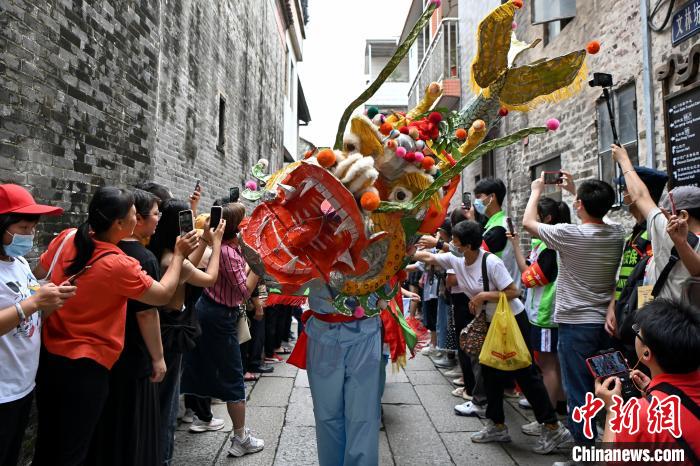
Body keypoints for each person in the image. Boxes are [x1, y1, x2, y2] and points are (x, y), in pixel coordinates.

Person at [31, 186, 198, 466]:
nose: (139, 219)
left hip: (49, 357)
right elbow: (162, 295)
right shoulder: (119, 264)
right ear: (120, 223)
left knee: (48, 441)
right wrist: (179, 255)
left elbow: (37, 276)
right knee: (74, 448)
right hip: (87, 365)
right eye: (135, 214)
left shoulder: (67, 238)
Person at [412, 220, 572, 453]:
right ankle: (497, 424)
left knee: (524, 372)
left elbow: (514, 291)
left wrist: (483, 295)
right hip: (488, 323)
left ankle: (553, 428)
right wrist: (406, 248)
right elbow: (428, 258)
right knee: (489, 372)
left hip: (511, 322)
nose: (450, 245)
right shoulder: (457, 260)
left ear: (467, 245)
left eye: (454, 241)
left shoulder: (490, 262)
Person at [522, 173, 625, 446]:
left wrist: (536, 190)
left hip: (576, 324)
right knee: (603, 385)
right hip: (605, 322)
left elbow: (528, 223)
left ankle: (583, 448)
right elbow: (600, 214)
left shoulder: (569, 235)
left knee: (578, 389)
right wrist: (573, 193)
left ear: (579, 205)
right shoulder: (617, 232)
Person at [86, 189, 167, 465]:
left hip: (95, 355)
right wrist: (158, 358)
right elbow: (152, 308)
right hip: (129, 353)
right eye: (152, 213)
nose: (158, 219)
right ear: (123, 222)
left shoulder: (81, 245)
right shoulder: (135, 260)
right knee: (130, 428)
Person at [180, 202, 265, 458]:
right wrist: (258, 268)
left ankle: (203, 415)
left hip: (214, 311)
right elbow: (242, 292)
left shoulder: (231, 246)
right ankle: (240, 438)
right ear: (235, 227)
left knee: (212, 368)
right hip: (219, 316)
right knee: (233, 374)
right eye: (244, 220)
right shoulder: (226, 253)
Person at [0, 184, 76, 466]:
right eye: (21, 228)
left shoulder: (18, 261)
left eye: (32, 228)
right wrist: (34, 303)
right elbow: (27, 305)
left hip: (22, 383)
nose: (29, 235)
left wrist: (51, 297)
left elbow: (31, 302)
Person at [147, 198, 225, 463]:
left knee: (158, 400)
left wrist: (203, 240)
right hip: (172, 331)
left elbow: (186, 264)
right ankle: (163, 458)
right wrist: (215, 245)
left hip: (159, 326)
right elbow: (209, 278)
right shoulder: (173, 260)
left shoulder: (156, 253)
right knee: (166, 405)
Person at [595, 299, 699, 461]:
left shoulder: (641, 417)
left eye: (638, 332)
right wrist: (655, 392)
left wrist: (613, 410)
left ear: (646, 353)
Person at [508, 197, 570, 436]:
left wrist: (516, 250)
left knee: (547, 365)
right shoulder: (544, 244)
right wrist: (515, 246)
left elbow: (529, 277)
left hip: (545, 314)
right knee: (552, 363)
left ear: (547, 219)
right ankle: (558, 407)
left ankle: (548, 417)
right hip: (544, 312)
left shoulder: (549, 248)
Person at [612, 144, 700, 302]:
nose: (661, 214)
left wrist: (624, 160)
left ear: (684, 216)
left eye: (667, 211)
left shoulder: (669, 233)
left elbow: (640, 195)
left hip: (666, 320)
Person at [474, 178, 519, 283]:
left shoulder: (499, 227)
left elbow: (473, 254)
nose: (476, 202)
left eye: (479, 197)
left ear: (492, 197)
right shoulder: (500, 222)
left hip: (502, 293)